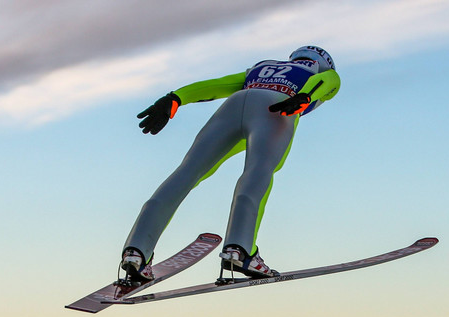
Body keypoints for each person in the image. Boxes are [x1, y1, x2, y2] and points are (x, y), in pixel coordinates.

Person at [120, 45, 340, 283]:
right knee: (258, 172)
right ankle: (240, 249)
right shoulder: (321, 72)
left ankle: (137, 250)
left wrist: (176, 97)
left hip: (235, 104)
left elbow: (217, 85)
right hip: (278, 108)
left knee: (186, 172)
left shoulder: (261, 68)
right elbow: (326, 82)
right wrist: (304, 96)